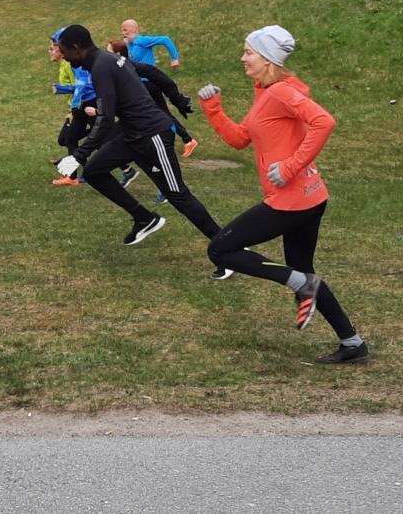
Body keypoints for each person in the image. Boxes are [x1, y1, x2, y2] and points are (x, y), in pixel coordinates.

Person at [199, 25, 369, 364]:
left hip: (291, 200)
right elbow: (240, 138)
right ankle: (353, 343)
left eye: (248, 52)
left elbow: (324, 121)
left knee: (220, 249)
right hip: (310, 197)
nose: (242, 58)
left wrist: (290, 166)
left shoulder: (280, 93)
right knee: (304, 270)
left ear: (266, 58)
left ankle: (297, 282)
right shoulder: (267, 93)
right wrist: (213, 108)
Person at [55, 25, 227, 271]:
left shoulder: (102, 66)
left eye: (63, 52)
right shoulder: (111, 59)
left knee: (177, 195)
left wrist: (79, 154)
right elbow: (152, 72)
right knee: (94, 171)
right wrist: (177, 99)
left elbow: (105, 117)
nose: (63, 57)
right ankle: (145, 218)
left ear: (75, 49)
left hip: (152, 134)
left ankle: (227, 248)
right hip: (131, 133)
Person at [51, 30, 139, 189]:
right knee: (72, 138)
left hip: (89, 102)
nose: (58, 52)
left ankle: (111, 171)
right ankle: (78, 175)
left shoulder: (82, 61)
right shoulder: (73, 61)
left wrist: (77, 103)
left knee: (100, 138)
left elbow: (87, 84)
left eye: (58, 47)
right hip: (83, 103)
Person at [108, 38, 198, 158]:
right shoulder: (130, 50)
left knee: (159, 115)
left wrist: (174, 58)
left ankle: (184, 140)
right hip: (149, 85)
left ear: (117, 54)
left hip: (148, 87)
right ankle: (187, 140)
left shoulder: (141, 41)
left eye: (125, 29)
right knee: (163, 114)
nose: (123, 32)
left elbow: (164, 39)